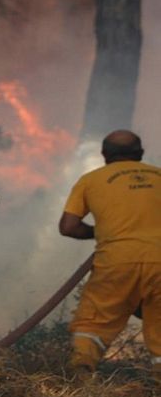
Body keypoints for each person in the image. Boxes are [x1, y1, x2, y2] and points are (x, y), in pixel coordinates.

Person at [59, 130, 161, 381]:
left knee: (92, 326)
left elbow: (68, 227)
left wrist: (104, 231)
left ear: (104, 155)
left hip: (116, 261)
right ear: (140, 154)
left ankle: (81, 380)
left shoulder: (90, 180)